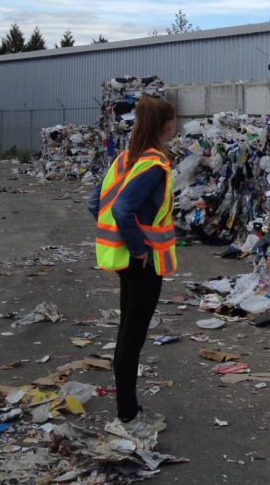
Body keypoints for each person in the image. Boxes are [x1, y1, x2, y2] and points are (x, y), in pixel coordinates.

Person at [88, 96, 178, 425]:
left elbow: (93, 202)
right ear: (164, 124)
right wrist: (139, 247)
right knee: (132, 338)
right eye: (173, 120)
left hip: (125, 262)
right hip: (143, 263)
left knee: (126, 333)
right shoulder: (153, 165)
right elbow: (122, 210)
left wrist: (122, 239)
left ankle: (128, 410)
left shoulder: (126, 159)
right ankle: (128, 415)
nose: (175, 125)